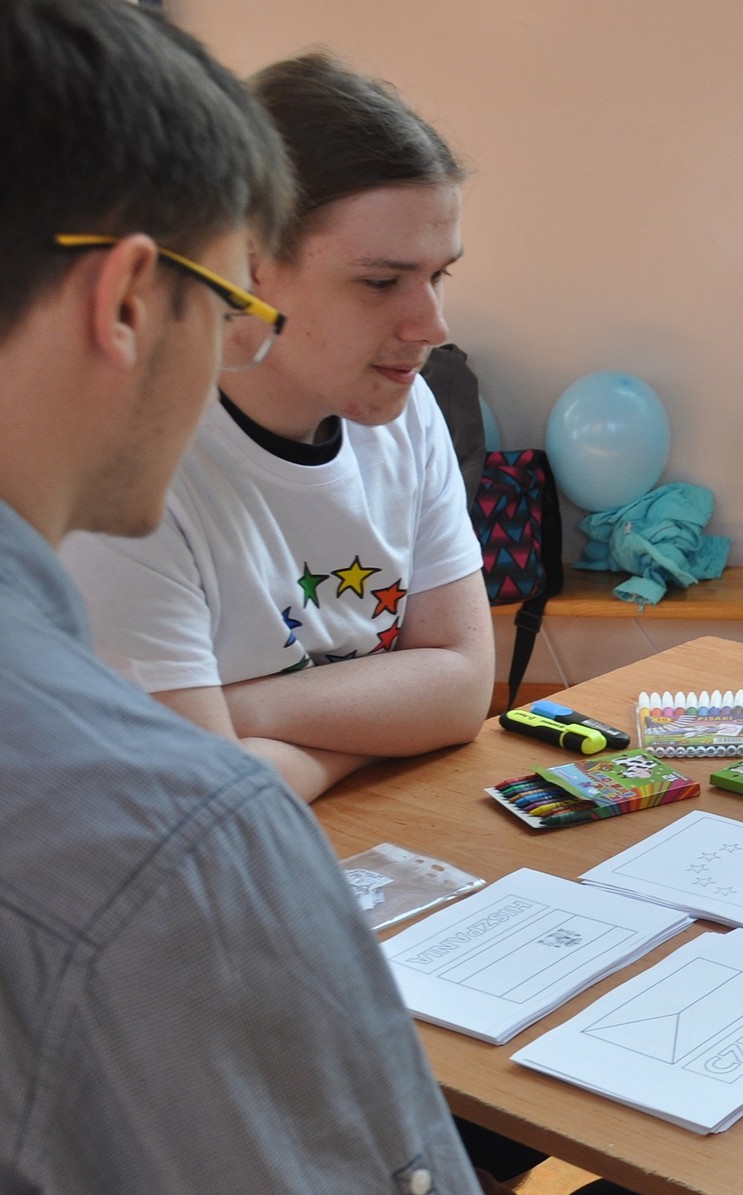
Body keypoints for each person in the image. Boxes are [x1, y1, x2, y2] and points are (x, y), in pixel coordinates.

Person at [0, 6, 724, 1195]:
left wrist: (245, 725)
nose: (234, 346)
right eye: (221, 295)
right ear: (132, 300)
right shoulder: (178, 842)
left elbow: (457, 684)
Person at [62, 50, 494, 804]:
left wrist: (239, 716)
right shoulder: (127, 468)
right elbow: (197, 795)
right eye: (381, 282)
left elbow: (462, 690)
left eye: (439, 275)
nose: (432, 326)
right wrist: (377, 731)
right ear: (246, 264)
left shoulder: (406, 409)